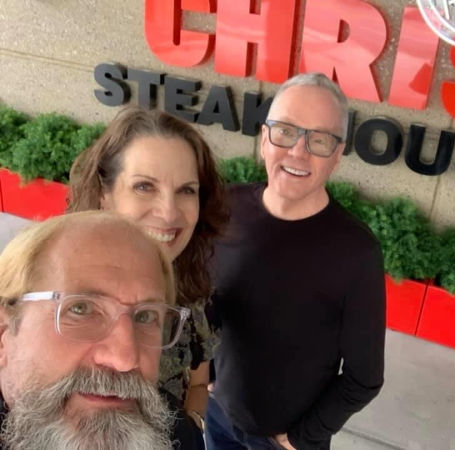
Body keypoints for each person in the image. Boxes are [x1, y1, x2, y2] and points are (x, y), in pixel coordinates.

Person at [206, 72, 386, 450]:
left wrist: (301, 438)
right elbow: (208, 304)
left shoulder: (355, 252)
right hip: (217, 415)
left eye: (319, 140)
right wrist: (202, 375)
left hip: (283, 442)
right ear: (264, 141)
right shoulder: (225, 208)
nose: (298, 151)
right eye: (285, 131)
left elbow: (363, 377)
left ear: (336, 157)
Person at [68, 107, 227, 448]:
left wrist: (189, 427)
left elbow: (198, 385)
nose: (169, 212)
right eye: (144, 186)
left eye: (186, 190)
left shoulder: (194, 293)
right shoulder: (54, 296)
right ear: (104, 194)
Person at [0, 211, 188, 450]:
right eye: (81, 308)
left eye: (145, 316)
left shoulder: (176, 434)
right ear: (4, 336)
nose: (124, 359)